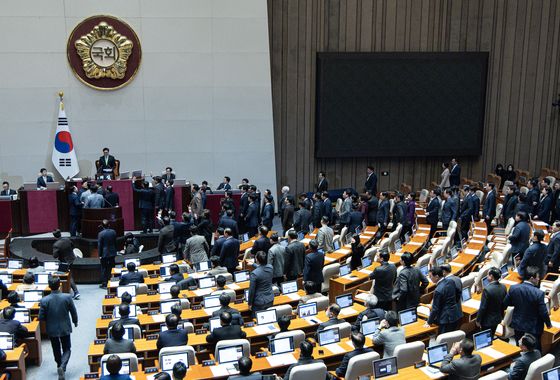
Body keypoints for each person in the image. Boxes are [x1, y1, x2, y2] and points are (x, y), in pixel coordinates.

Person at [39, 276, 78, 380]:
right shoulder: (67, 297)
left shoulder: (44, 300)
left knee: (56, 348)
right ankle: (62, 366)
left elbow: (41, 317)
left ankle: (59, 365)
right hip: (65, 327)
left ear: (49, 286)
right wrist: (75, 321)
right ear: (59, 285)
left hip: (51, 329)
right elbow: (73, 311)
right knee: (67, 348)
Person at [504, 266, 551, 350]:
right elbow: (543, 312)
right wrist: (548, 324)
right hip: (534, 326)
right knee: (535, 348)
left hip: (518, 323)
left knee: (520, 346)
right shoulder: (539, 293)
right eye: (537, 277)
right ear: (532, 278)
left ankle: (522, 360)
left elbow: (506, 303)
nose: (539, 279)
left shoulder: (513, 288)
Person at [425, 267, 462, 334]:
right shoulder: (451, 281)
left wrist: (428, 322)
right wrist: (453, 303)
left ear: (436, 277)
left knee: (444, 339)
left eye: (430, 276)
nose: (430, 278)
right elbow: (458, 292)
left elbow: (435, 309)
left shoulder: (438, 290)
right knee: (453, 337)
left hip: (445, 319)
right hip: (455, 314)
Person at [475, 267, 507, 336]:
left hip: (487, 321)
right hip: (497, 318)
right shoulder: (503, 287)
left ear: (491, 276)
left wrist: (478, 320)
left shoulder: (487, 289)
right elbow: (504, 304)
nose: (486, 276)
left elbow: (483, 307)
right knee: (491, 335)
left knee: (485, 338)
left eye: (488, 275)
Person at [52, 229, 79, 298]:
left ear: (54, 236)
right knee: (69, 274)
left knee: (67, 276)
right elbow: (73, 246)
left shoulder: (56, 245)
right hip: (71, 259)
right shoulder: (67, 239)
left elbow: (55, 256)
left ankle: (76, 292)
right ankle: (66, 290)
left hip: (64, 262)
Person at [98, 220, 117, 288]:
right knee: (113, 267)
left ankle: (104, 283)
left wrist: (100, 255)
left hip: (104, 253)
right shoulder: (113, 232)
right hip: (112, 252)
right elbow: (115, 242)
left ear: (102, 226)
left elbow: (100, 245)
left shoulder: (101, 234)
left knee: (104, 268)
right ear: (109, 225)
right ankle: (114, 281)